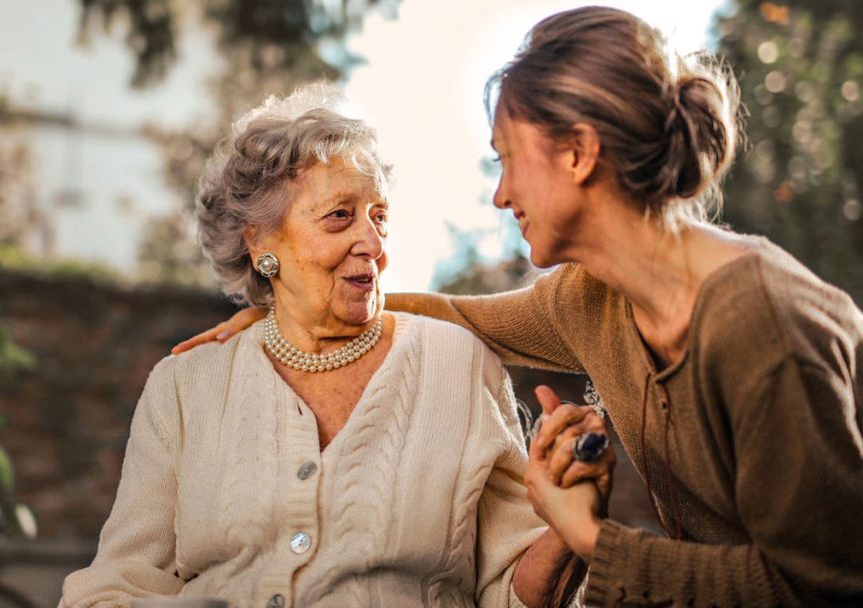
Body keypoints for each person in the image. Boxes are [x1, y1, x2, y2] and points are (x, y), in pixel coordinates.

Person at [173, 7, 863, 606]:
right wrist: (291, 310)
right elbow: (459, 316)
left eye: (507, 158)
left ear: (579, 154)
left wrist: (589, 536)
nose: (500, 195)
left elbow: (821, 585)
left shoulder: (761, 326)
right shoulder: (592, 298)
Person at [60, 84, 614, 608]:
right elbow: (117, 583)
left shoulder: (459, 365)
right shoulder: (185, 385)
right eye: (340, 217)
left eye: (380, 218)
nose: (372, 244)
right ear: (260, 241)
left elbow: (511, 593)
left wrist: (568, 531)